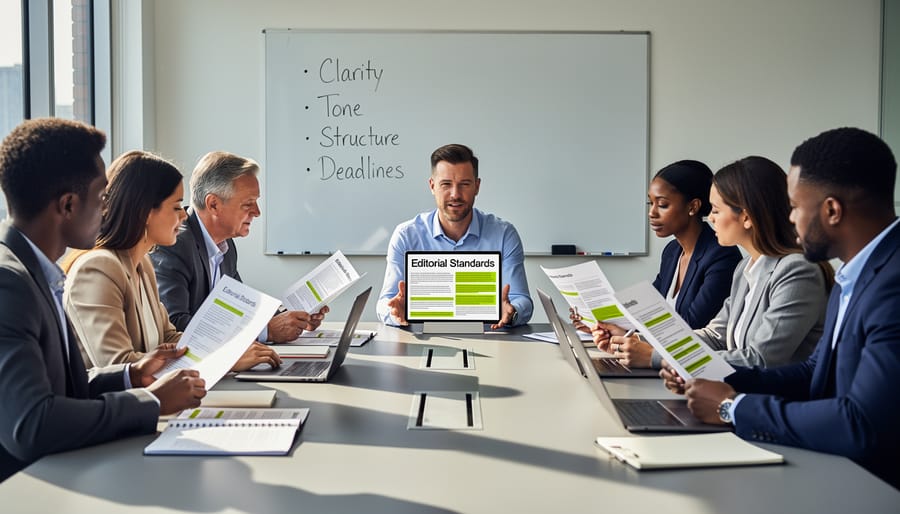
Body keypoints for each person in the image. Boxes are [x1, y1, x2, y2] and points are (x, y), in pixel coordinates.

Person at [663, 127, 900, 490]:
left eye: (794, 207)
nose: (789, 218)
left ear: (832, 210)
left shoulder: (892, 284)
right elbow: (812, 372)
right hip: (834, 464)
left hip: (873, 486)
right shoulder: (855, 273)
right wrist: (718, 382)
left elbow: (862, 423)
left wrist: (732, 408)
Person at [0, 118, 206, 482]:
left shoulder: (36, 270)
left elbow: (62, 389)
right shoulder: (8, 282)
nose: (108, 209)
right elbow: (32, 422)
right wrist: (152, 402)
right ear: (67, 205)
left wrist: (130, 375)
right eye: (102, 198)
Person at [599, 156, 831, 369]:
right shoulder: (745, 268)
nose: (710, 217)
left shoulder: (797, 271)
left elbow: (760, 359)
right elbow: (715, 336)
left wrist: (657, 357)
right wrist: (638, 341)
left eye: (717, 210)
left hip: (772, 406)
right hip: (736, 394)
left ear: (747, 217)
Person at [64, 150, 280, 371]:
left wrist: (229, 351)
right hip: (117, 403)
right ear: (145, 212)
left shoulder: (142, 266)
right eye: (176, 206)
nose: (184, 215)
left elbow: (169, 336)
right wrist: (224, 359)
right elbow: (119, 366)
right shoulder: (98, 268)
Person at [150, 151, 327, 342]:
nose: (257, 212)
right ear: (214, 204)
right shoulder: (174, 244)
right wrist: (264, 332)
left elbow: (242, 306)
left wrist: (294, 318)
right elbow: (175, 324)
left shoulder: (226, 245)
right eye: (248, 203)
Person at [377, 143, 532, 329]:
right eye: (446, 184)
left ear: (477, 186)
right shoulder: (406, 235)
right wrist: (394, 313)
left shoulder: (504, 234)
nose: (455, 194)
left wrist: (512, 312)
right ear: (432, 186)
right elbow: (385, 301)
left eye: (464, 184)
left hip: (490, 337)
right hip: (425, 338)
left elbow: (521, 298)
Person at [573, 160, 741, 331]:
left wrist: (634, 338)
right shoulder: (672, 252)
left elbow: (692, 326)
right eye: (650, 203)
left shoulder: (722, 255)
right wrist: (601, 324)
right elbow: (648, 312)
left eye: (662, 205)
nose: (651, 213)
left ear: (693, 206)